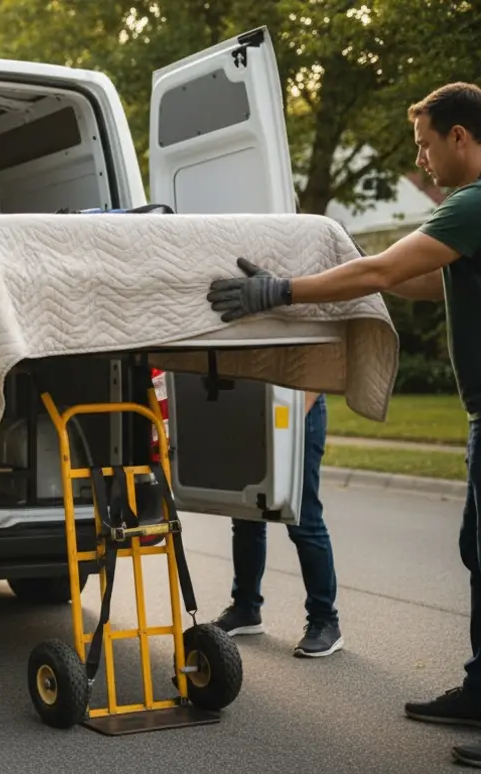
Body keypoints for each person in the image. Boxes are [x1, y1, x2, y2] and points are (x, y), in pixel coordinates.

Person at [207, 81, 481, 768]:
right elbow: (410, 279)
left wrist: (280, 291)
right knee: (477, 555)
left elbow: (385, 268)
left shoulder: (475, 202)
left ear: (459, 137)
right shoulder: (466, 216)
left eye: (425, 146)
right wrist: (320, 276)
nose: (420, 162)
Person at [209, 388, 342, 658]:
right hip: (250, 407)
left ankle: (325, 621)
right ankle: (245, 608)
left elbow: (318, 369)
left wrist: (294, 414)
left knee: (304, 520)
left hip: (296, 407)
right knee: (246, 515)